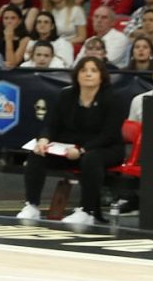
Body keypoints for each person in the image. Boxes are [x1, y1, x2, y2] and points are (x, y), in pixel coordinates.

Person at [18, 57, 127, 225]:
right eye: (83, 70)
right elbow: (52, 124)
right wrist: (43, 140)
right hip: (69, 148)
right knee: (37, 154)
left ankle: (87, 211)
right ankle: (31, 206)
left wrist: (82, 150)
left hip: (105, 148)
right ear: (76, 75)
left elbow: (109, 135)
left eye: (93, 70)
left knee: (91, 159)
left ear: (101, 76)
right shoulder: (66, 95)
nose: (88, 74)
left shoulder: (114, 99)